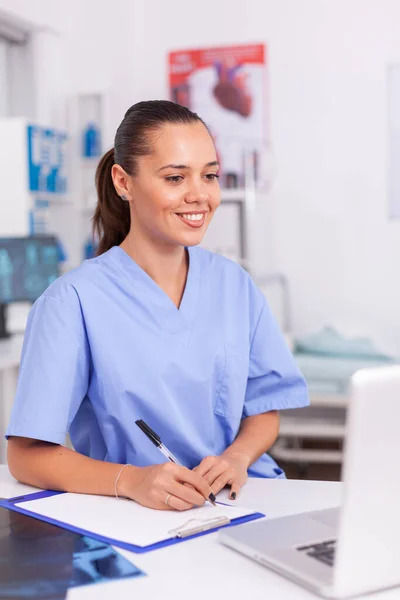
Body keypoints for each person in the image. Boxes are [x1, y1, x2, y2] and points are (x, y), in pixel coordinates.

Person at [7, 100, 309, 512]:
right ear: (123, 182)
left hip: (242, 500)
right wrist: (132, 480)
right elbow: (26, 455)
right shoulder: (72, 302)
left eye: (209, 176)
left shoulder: (233, 284)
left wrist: (236, 458)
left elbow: (264, 409)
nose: (200, 195)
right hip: (138, 515)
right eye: (174, 177)